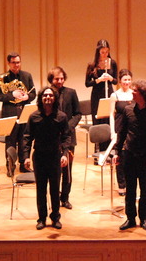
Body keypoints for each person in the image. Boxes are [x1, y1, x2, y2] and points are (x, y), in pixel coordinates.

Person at [113, 79, 146, 232]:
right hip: (129, 155)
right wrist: (117, 152)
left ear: (142, 93)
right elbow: (121, 133)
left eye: (134, 90)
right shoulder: (127, 110)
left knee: (145, 190)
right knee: (130, 189)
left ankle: (144, 219)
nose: (131, 92)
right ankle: (130, 218)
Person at [23, 87, 71, 230]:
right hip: (39, 157)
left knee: (55, 189)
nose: (48, 97)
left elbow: (66, 136)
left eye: (50, 95)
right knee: (41, 189)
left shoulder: (61, 117)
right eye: (45, 95)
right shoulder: (33, 117)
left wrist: (64, 154)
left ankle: (55, 217)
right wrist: (26, 157)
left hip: (55, 156)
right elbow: (27, 138)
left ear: (54, 98)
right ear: (41, 98)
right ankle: (41, 218)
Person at [0, 52, 36, 174]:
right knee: (10, 140)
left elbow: (33, 93)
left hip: (24, 112)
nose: (16, 65)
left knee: (24, 140)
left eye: (18, 62)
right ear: (9, 63)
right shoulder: (3, 78)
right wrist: (11, 94)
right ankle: (10, 166)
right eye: (13, 62)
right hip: (10, 113)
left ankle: (24, 165)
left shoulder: (27, 76)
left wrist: (27, 97)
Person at [48, 66, 81, 210]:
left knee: (67, 170)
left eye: (62, 78)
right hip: (52, 137)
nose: (60, 81)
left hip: (68, 137)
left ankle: (65, 198)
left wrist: (68, 126)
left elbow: (78, 113)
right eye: (57, 79)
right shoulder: (47, 93)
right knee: (54, 170)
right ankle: (54, 198)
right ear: (51, 79)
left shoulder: (71, 93)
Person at [85, 39, 118, 153]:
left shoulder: (112, 63)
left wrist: (110, 78)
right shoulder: (92, 65)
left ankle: (108, 150)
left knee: (109, 120)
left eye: (107, 52)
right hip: (97, 95)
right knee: (98, 121)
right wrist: (98, 80)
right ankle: (98, 150)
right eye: (102, 52)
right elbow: (87, 83)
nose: (105, 54)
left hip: (109, 93)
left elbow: (115, 81)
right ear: (98, 51)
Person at [110, 68, 134, 196]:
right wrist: (112, 131)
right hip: (119, 127)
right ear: (120, 81)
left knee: (130, 156)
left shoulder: (133, 94)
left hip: (131, 129)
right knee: (119, 156)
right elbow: (111, 114)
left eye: (129, 80)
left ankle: (129, 183)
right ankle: (121, 185)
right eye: (125, 80)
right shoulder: (115, 95)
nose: (127, 82)